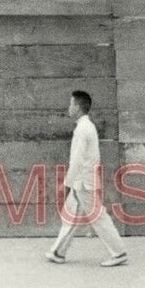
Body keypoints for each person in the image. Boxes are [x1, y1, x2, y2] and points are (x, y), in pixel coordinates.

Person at [46, 90, 128, 267]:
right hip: (83, 181)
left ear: (77, 106)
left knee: (97, 217)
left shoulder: (83, 129)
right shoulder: (86, 127)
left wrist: (67, 183)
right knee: (72, 215)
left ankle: (119, 252)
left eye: (71, 104)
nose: (69, 108)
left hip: (83, 182)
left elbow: (77, 159)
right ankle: (58, 252)